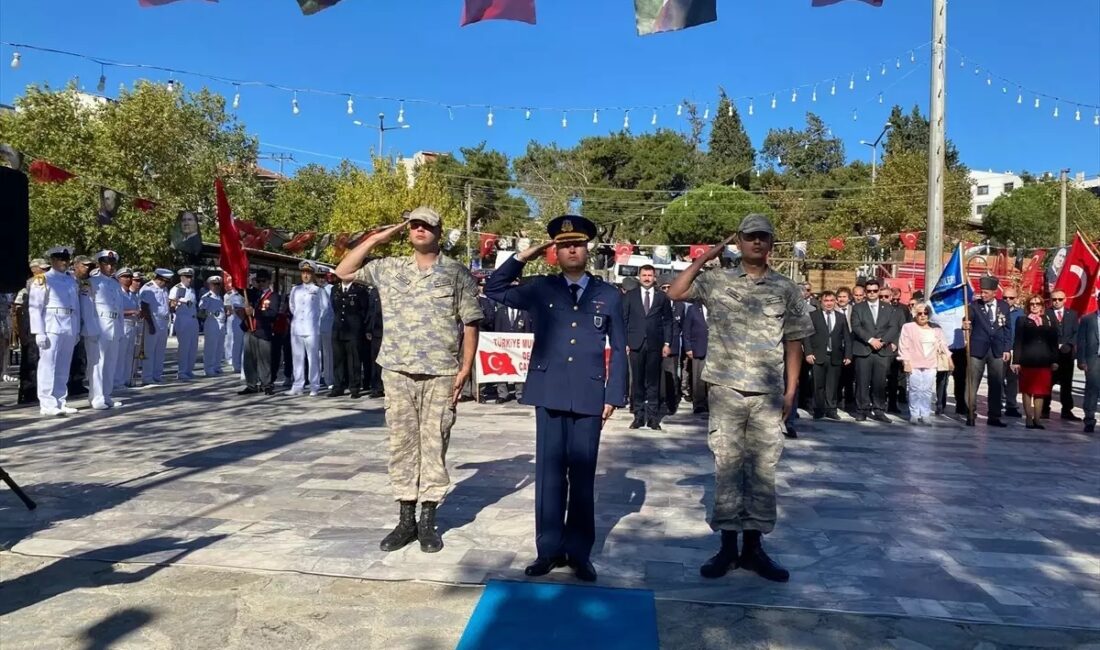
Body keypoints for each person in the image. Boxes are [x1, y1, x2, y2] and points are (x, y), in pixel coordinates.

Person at [667, 213, 813, 584]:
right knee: (728, 464)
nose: (757, 243)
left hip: (768, 392)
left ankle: (754, 545)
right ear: (740, 242)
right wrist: (704, 257)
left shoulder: (786, 288)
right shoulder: (716, 282)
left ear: (771, 243)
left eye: (763, 237)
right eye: (750, 237)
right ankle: (727, 545)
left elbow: (794, 340)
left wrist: (791, 389)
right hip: (726, 388)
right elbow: (676, 292)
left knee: (763, 468)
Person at [484, 215, 628, 583]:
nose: (572, 249)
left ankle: (579, 552)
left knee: (582, 477)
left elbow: (620, 347)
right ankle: (548, 550)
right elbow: (495, 287)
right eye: (563, 245)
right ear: (555, 252)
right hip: (548, 393)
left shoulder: (608, 294)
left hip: (589, 395)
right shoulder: (541, 289)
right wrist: (527, 253)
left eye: (577, 244)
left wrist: (613, 395)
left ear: (587, 249)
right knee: (549, 477)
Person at [335, 206, 482, 555]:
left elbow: (471, 322)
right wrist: (376, 237)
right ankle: (405, 519)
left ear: (438, 233)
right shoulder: (390, 269)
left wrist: (465, 368)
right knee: (401, 444)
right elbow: (344, 270)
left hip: (440, 372)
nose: (420, 230)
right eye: (414, 225)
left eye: (427, 226)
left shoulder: (456, 273)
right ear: (407, 230)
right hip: (398, 370)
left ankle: (429, 520)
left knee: (434, 444)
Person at [28, 246, 82, 416]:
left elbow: (76, 307)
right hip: (51, 326)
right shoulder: (42, 279)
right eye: (60, 259)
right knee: (48, 365)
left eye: (66, 259)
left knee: (63, 366)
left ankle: (60, 400)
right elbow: (35, 307)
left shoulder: (71, 280)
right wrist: (39, 332)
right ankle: (47, 402)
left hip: (68, 325)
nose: (63, 262)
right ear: (52, 260)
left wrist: (77, 330)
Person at [622, 265, 673, 430]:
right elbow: (623, 320)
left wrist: (667, 343)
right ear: (639, 276)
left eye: (650, 275)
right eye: (644, 275)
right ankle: (638, 416)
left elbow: (668, 321)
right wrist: (624, 342)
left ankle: (653, 417)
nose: (647, 278)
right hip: (635, 343)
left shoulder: (662, 297)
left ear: (654, 277)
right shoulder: (630, 296)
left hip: (654, 344)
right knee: (637, 381)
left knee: (653, 382)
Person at [962, 276, 1011, 427]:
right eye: (981, 292)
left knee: (996, 383)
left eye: (986, 292)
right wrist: (965, 323)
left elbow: (1008, 329)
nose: (983, 295)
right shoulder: (974, 306)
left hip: (996, 349)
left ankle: (995, 416)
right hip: (978, 349)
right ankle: (970, 413)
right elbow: (967, 319)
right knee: (972, 382)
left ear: (994, 292)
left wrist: (1007, 348)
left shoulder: (1004, 306)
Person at [850, 279, 901, 422]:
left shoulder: (889, 308)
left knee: (880, 382)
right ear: (865, 292)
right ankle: (862, 410)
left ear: (879, 291)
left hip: (882, 351)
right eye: (869, 291)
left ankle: (879, 410)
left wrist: (883, 341)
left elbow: (893, 327)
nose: (872, 293)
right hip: (864, 349)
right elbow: (856, 326)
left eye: (874, 291)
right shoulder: (858, 308)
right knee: (862, 382)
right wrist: (871, 340)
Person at [85, 250, 127, 410]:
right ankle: (96, 397)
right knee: (98, 363)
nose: (109, 267)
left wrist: (121, 329)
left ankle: (107, 395)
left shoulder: (115, 284)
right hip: (99, 325)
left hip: (114, 325)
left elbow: (120, 308)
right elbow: (87, 306)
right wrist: (90, 328)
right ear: (99, 264)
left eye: (112, 264)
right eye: (106, 264)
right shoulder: (91, 282)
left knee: (110, 363)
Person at [898, 303, 951, 425]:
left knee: (927, 390)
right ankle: (914, 414)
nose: (923, 316)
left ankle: (925, 414)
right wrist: (906, 361)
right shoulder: (908, 327)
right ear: (915, 315)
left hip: (931, 363)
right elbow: (903, 345)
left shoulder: (936, 329)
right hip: (914, 362)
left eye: (925, 313)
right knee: (914, 389)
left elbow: (943, 345)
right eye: (920, 313)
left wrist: (949, 358)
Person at [804, 290, 852, 420]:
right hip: (818, 355)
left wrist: (848, 355)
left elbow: (847, 337)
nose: (829, 303)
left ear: (835, 301)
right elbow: (807, 336)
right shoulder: (813, 315)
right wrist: (808, 352)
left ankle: (831, 409)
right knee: (818, 384)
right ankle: (818, 409)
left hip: (835, 355)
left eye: (831, 300)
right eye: (826, 301)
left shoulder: (840, 317)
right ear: (821, 302)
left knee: (832, 384)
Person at [1013, 295, 1059, 429]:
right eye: (1032, 304)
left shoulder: (1049, 320)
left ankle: (1037, 419)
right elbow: (1018, 341)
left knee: (1040, 391)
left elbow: (1053, 342)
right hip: (1027, 360)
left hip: (1044, 360)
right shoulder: (1022, 320)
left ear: (1042, 306)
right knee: (1027, 390)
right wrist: (1016, 361)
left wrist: (1055, 360)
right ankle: (1028, 418)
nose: (1034, 306)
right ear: (1028, 306)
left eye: (1037, 303)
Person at [328, 267, 370, 398]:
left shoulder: (359, 290)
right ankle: (338, 386)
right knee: (338, 359)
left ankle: (354, 387)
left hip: (353, 330)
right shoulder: (335, 289)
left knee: (354, 360)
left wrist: (362, 328)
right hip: (338, 329)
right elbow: (335, 308)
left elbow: (364, 310)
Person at [489, 287, 533, 403]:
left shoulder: (525, 313)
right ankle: (503, 394)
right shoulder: (500, 312)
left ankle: (520, 394)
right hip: (503, 348)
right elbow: (497, 330)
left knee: (519, 369)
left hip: (519, 349)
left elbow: (528, 331)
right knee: (501, 369)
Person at [240, 269, 280, 395]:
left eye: (263, 281)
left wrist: (254, 312)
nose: (261, 283)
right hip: (250, 330)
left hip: (264, 332)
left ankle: (266, 384)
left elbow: (272, 313)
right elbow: (240, 288)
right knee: (249, 359)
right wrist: (239, 274)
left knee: (264, 360)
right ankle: (251, 384)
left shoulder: (274, 296)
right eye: (258, 281)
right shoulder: (254, 294)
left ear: (269, 281)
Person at [288, 261, 323, 396]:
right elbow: (292, 307)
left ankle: (314, 385)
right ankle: (297, 385)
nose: (306, 275)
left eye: (308, 273)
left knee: (313, 358)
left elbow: (324, 309)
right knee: (297, 357)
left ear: (313, 274)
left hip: (312, 329)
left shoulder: (318, 290)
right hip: (297, 328)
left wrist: (315, 323)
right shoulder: (295, 290)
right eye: (303, 273)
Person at [1046, 290, 1079, 420]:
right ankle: (1044, 409)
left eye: (1060, 299)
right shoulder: (1046, 314)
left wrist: (1069, 344)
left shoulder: (1072, 314)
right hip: (1051, 354)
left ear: (1065, 300)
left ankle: (1066, 410)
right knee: (1048, 383)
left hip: (1067, 355)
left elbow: (1076, 333)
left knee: (1066, 384)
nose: (1057, 302)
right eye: (1054, 299)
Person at [68, 255, 95, 397]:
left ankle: (77, 383)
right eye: (84, 265)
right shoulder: (68, 279)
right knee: (68, 355)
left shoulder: (86, 282)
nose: (87, 268)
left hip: (82, 322)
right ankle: (67, 384)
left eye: (89, 266)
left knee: (80, 355)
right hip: (69, 321)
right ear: (76, 265)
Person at [660, 273, 686, 417]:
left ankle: (671, 403)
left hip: (673, 346)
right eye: (663, 288)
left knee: (672, 376)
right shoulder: (656, 303)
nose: (666, 290)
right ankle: (658, 401)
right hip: (657, 345)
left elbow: (683, 326)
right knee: (658, 376)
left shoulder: (680, 305)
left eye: (669, 287)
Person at [140, 269, 173, 384]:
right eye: (166, 281)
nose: (167, 284)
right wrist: (150, 324)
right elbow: (144, 307)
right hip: (153, 320)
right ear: (160, 279)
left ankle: (157, 375)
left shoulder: (164, 289)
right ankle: (147, 377)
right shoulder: (148, 288)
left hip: (163, 322)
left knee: (160, 350)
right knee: (149, 350)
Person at [113, 268, 142, 390]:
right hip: (122, 324)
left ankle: (126, 380)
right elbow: (116, 310)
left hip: (133, 325)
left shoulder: (132, 294)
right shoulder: (117, 292)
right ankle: (117, 381)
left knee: (129, 354)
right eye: (125, 277)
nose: (128, 279)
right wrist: (132, 312)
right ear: (119, 279)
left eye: (130, 277)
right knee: (120, 355)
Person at [169, 268, 199, 381]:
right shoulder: (176, 289)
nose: (189, 279)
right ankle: (182, 371)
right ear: (181, 277)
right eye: (187, 277)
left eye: (191, 277)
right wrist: (177, 301)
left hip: (193, 319)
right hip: (183, 319)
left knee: (193, 346)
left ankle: (189, 370)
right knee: (184, 346)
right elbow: (171, 304)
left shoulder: (191, 290)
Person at [682, 301, 709, 414]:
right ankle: (699, 404)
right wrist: (688, 348)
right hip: (698, 347)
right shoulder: (693, 309)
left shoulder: (717, 307)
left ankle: (711, 403)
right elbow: (686, 330)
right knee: (698, 378)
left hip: (715, 348)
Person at [1077, 304, 1100, 433]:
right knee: (1092, 389)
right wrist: (1081, 360)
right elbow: (1081, 341)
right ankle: (1089, 420)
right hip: (1093, 359)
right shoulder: (1088, 319)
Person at [1002, 287, 1024, 418]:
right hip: (1000, 349)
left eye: (1011, 298)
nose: (1008, 300)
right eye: (1005, 298)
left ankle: (1011, 405)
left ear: (1016, 299)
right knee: (997, 379)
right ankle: (997, 403)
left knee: (1012, 380)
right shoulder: (997, 310)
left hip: (1015, 350)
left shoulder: (1021, 313)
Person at [199, 276, 226, 377]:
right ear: (210, 285)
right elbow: (201, 310)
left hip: (221, 323)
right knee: (211, 346)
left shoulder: (219, 296)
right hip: (212, 322)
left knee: (219, 346)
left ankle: (216, 366)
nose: (217, 286)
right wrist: (207, 314)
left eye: (218, 284)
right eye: (215, 284)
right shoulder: (207, 296)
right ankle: (209, 368)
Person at [363, 283, 384, 398]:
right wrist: (368, 329)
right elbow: (370, 311)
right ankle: (377, 387)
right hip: (376, 330)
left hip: (390, 329)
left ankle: (387, 387)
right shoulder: (374, 291)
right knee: (375, 360)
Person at [317, 270, 336, 389]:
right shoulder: (313, 290)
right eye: (318, 277)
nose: (320, 279)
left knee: (328, 353)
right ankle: (316, 379)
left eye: (322, 277)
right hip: (314, 326)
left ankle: (329, 379)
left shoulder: (332, 289)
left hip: (328, 325)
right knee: (315, 354)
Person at [223, 274, 245, 374]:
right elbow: (235, 309)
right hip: (237, 319)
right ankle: (235, 364)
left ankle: (241, 363)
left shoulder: (245, 293)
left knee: (244, 344)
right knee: (236, 342)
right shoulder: (231, 295)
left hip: (244, 319)